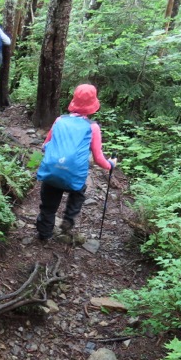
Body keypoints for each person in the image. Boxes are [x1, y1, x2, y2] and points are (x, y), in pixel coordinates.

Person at [35, 84, 118, 242]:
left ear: (74, 101)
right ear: (93, 105)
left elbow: (45, 146)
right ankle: (68, 220)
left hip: (51, 171)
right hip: (73, 175)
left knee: (48, 205)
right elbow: (99, 158)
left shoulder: (59, 120)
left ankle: (44, 235)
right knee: (79, 191)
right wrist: (111, 165)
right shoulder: (92, 127)